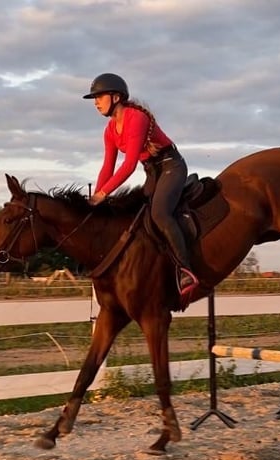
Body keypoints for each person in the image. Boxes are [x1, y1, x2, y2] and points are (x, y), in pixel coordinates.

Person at [82, 72, 198, 297]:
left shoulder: (136, 118)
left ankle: (186, 270)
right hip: (152, 171)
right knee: (139, 216)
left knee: (160, 214)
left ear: (116, 97)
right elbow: (108, 168)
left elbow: (129, 165)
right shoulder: (109, 131)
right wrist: (95, 199)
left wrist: (103, 194)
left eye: (99, 97)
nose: (96, 103)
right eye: (94, 99)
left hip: (171, 166)